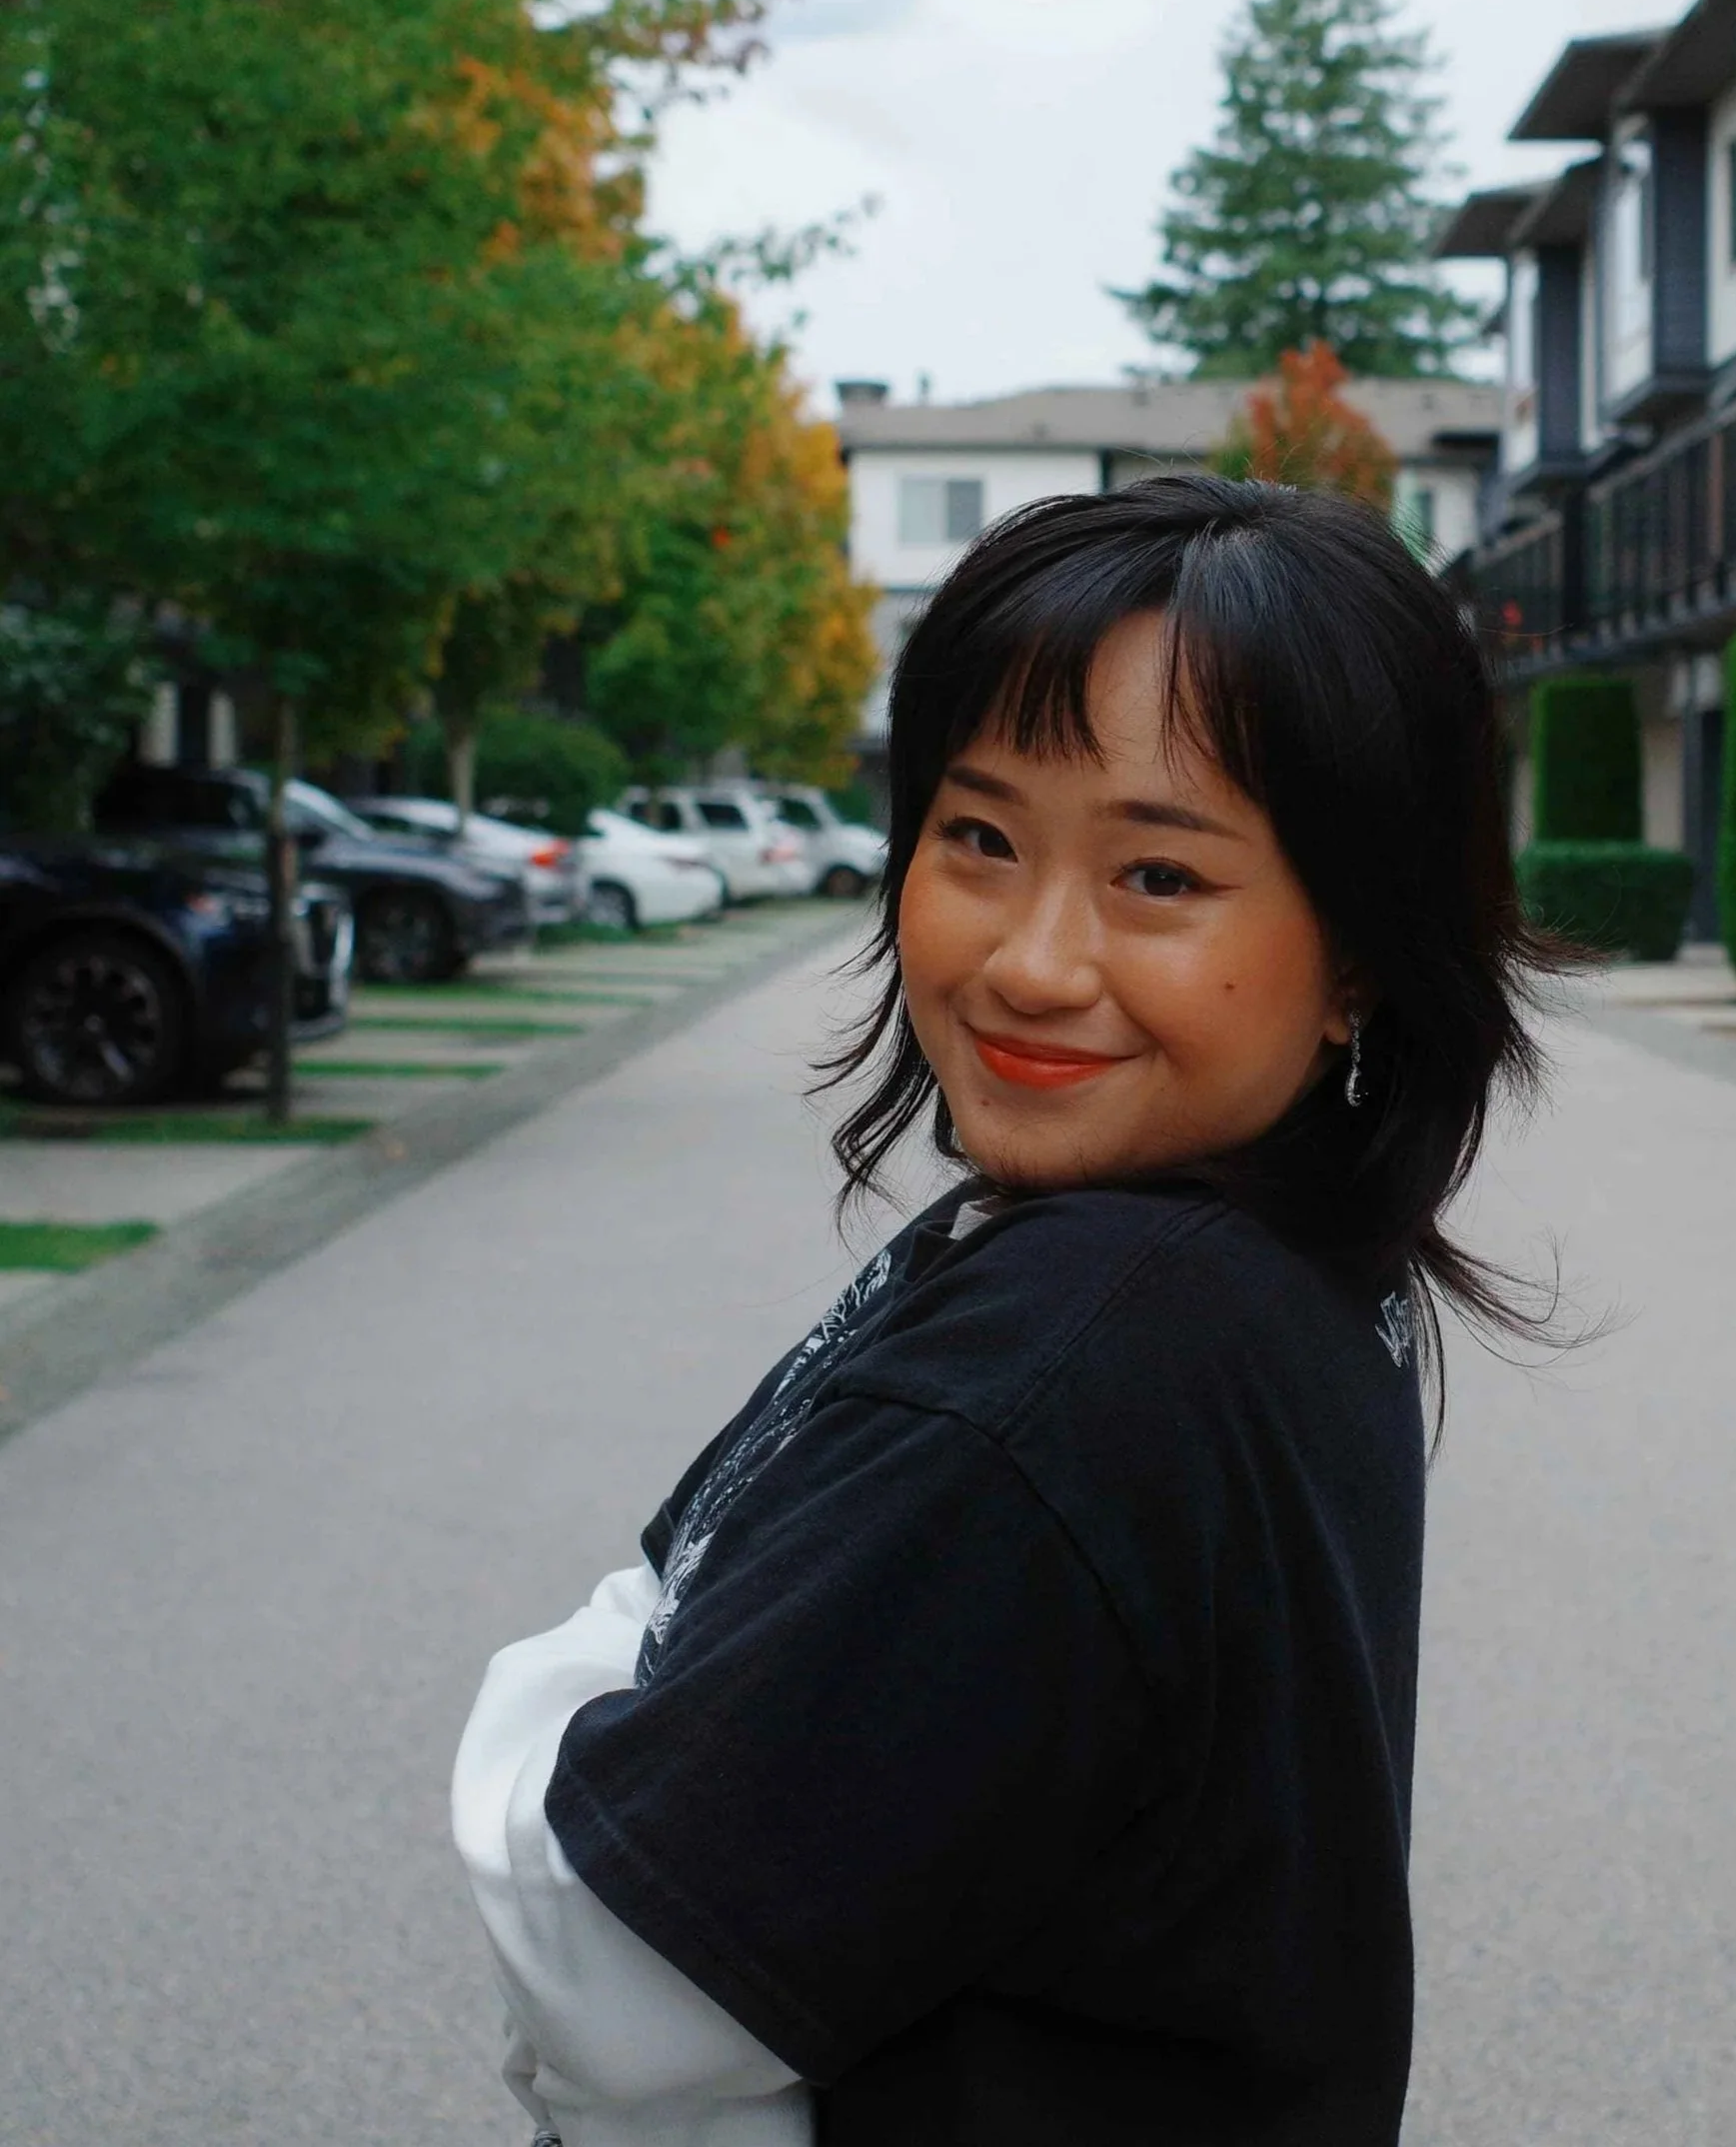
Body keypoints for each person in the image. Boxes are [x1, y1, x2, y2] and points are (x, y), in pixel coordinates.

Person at [452, 473, 1564, 2147]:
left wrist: (565, 1681)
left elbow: (614, 1962)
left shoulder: (1083, 1353)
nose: (1031, 963)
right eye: (978, 838)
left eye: (1158, 876)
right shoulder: (1264, 1262)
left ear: (1357, 953)